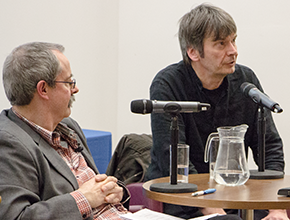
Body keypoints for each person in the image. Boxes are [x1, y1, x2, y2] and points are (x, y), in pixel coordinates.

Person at [145, 3, 287, 220]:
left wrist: (276, 208)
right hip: (185, 199)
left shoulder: (245, 81)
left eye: (234, 40)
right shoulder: (169, 84)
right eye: (221, 44)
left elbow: (270, 148)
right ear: (193, 52)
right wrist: (213, 210)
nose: (233, 51)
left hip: (235, 196)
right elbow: (170, 156)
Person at [0, 42, 130, 219]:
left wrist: (115, 191)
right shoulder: (9, 142)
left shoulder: (68, 126)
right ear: (43, 89)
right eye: (69, 82)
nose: (75, 89)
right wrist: (84, 198)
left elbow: (94, 190)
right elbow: (17, 217)